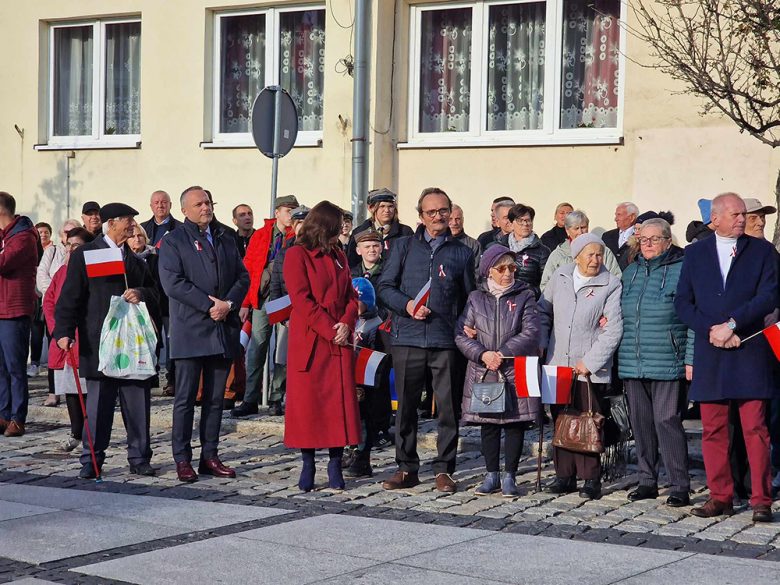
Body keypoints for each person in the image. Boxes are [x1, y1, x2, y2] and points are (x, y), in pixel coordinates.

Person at [674, 192, 777, 522]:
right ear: (714, 219)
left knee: (755, 429)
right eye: (735, 214)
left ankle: (761, 500)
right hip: (711, 353)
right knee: (713, 430)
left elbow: (769, 295)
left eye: (744, 214)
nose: (742, 219)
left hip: (749, 349)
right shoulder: (695, 253)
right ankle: (720, 496)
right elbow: (683, 303)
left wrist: (732, 325)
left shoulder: (762, 251)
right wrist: (712, 330)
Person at [378, 187, 476, 493]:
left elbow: (469, 298)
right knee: (406, 407)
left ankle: (444, 468)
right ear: (420, 216)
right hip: (407, 337)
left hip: (445, 340)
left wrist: (469, 325)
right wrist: (407, 305)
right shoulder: (403, 247)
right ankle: (406, 468)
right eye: (431, 211)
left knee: (447, 408)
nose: (438, 216)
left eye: (443, 210)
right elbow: (384, 287)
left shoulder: (463, 252)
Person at [54, 203, 159, 478]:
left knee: (137, 405)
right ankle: (92, 459)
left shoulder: (136, 260)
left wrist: (141, 292)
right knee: (98, 407)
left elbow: (155, 292)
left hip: (132, 344)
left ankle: (139, 457)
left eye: (133, 221)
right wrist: (64, 331)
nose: (133, 226)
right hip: (99, 343)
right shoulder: (87, 254)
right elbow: (70, 296)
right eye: (128, 221)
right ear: (111, 223)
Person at [159, 187, 250, 482]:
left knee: (215, 399)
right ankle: (182, 458)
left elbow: (243, 276)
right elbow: (173, 283)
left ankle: (210, 456)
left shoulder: (225, 237)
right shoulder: (173, 241)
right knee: (185, 399)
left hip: (222, 329)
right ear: (184, 210)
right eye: (198, 204)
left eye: (208, 202)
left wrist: (229, 304)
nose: (205, 208)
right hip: (190, 330)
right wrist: (209, 305)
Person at [283, 201, 362, 492]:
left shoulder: (339, 255)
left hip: (339, 339)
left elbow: (351, 296)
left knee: (337, 406)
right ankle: (308, 464)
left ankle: (335, 463)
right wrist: (330, 329)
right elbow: (301, 300)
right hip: (311, 339)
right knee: (309, 406)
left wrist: (346, 323)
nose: (340, 232)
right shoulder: (296, 254)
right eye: (336, 227)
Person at [538, 233, 623, 499]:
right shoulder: (560, 276)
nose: (596, 260)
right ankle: (564, 475)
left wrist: (590, 361)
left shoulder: (610, 283)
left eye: (600, 254)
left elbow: (613, 329)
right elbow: (543, 311)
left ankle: (590, 478)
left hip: (589, 369)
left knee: (588, 422)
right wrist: (541, 344)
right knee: (561, 418)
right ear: (576, 257)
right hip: (557, 363)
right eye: (590, 255)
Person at [455, 245, 541, 498]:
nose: (507, 273)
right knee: (489, 424)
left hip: (514, 368)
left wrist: (502, 353)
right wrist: (483, 354)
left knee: (515, 423)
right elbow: (461, 333)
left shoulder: (525, 295)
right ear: (488, 271)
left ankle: (510, 476)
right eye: (501, 268)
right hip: (484, 368)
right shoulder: (475, 298)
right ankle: (491, 474)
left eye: (512, 268)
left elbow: (532, 331)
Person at [618, 218, 690, 507]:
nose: (647, 244)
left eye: (654, 239)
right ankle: (647, 480)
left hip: (668, 360)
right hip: (633, 360)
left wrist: (690, 359)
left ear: (668, 241)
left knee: (667, 421)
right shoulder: (630, 271)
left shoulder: (682, 270)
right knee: (641, 423)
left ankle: (679, 485)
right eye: (643, 239)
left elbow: (692, 317)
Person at [232, 195, 298, 417]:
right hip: (262, 297)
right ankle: (250, 398)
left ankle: (276, 398)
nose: (291, 215)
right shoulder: (261, 235)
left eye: (293, 211)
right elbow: (248, 270)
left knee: (282, 348)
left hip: (286, 298)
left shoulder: (298, 235)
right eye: (287, 211)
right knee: (257, 347)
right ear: (277, 212)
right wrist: (245, 302)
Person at [741, 198, 780, 496]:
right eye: (754, 217)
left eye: (762, 217)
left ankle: (772, 473)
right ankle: (744, 477)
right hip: (742, 341)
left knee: (774, 410)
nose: (761, 221)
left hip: (772, 339)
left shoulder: (770, 253)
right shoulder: (736, 256)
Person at [43, 227, 93, 451]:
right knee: (71, 387)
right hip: (65, 339)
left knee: (88, 390)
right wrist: (58, 330)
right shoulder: (61, 272)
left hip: (86, 338)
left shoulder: (91, 269)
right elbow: (49, 302)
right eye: (69, 245)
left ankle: (91, 433)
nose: (71, 249)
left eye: (76, 246)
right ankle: (76, 433)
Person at [0, 192, 40, 437]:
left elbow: (3, 262)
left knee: (16, 368)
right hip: (1, 308)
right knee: (0, 368)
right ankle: (3, 415)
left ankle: (17, 418)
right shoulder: (4, 236)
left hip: (14, 309)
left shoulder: (23, 236)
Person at [350, 229, 394, 448]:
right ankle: (359, 426)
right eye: (367, 246)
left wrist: (383, 318)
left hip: (381, 330)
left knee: (379, 383)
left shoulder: (389, 271)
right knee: (357, 384)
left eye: (376, 246)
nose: (372, 250)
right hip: (357, 331)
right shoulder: (351, 273)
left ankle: (381, 427)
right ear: (358, 250)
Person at [265, 205, 311, 416]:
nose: (303, 227)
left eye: (306, 223)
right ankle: (276, 397)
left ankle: (302, 398)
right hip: (288, 312)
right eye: (299, 223)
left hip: (310, 312)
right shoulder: (285, 252)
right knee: (282, 357)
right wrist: (282, 316)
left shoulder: (317, 250)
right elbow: (276, 284)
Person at [35, 218, 82, 404]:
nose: (70, 249)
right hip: (58, 324)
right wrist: (56, 328)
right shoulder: (57, 261)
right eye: (67, 235)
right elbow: (47, 295)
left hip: (80, 331)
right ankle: (53, 393)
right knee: (58, 358)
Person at [345, 277, 386, 478]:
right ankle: (349, 450)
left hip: (365, 384)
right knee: (348, 418)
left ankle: (362, 458)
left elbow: (378, 358)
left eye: (359, 303)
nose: (355, 307)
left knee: (363, 420)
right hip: (348, 380)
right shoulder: (347, 322)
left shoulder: (374, 326)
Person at [540, 210, 622, 291]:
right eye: (576, 228)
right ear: (567, 231)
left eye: (583, 227)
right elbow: (545, 285)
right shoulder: (558, 254)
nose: (580, 232)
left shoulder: (603, 251)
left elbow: (616, 277)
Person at [128, 222, 164, 387]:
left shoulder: (155, 259)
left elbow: (158, 285)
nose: (137, 239)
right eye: (132, 236)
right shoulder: (123, 259)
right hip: (128, 309)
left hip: (151, 307)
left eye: (140, 236)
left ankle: (151, 375)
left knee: (153, 341)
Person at [489, 204, 550, 298]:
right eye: (520, 220)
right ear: (511, 223)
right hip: (500, 298)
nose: (525, 224)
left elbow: (546, 284)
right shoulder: (499, 247)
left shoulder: (542, 251)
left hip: (528, 300)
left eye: (528, 220)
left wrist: (528, 293)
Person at [347, 189, 414, 269]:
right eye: (382, 206)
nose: (387, 210)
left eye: (390, 206)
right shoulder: (359, 233)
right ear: (371, 208)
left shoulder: (405, 233)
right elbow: (351, 263)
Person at [602, 202, 639, 269]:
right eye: (616, 215)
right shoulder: (607, 236)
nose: (616, 219)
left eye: (619, 215)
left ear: (632, 217)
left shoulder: (639, 237)